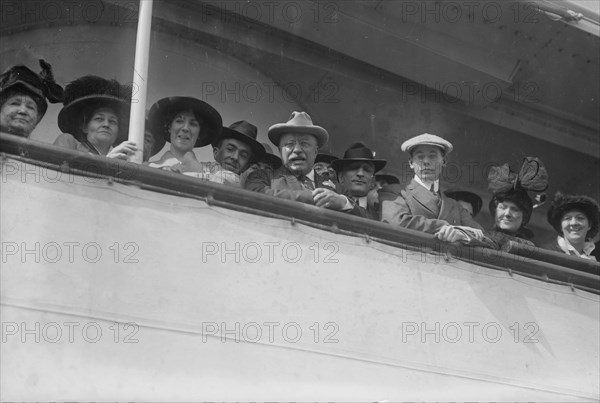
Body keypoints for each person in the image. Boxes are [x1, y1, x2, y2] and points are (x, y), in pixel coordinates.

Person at [379, 133, 484, 243]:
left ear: (444, 161)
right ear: (411, 163)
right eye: (420, 157)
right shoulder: (394, 192)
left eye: (432, 156)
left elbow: (487, 239)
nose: (426, 162)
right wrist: (446, 227)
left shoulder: (455, 206)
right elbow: (396, 223)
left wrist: (463, 235)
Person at [244, 111, 353, 212]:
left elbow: (365, 216)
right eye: (289, 144)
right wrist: (313, 197)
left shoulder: (338, 189)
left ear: (315, 151)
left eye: (304, 143)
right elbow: (255, 196)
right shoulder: (262, 178)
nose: (297, 150)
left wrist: (343, 202)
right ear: (280, 150)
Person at [53, 75, 135, 159]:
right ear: (84, 126)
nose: (106, 124)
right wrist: (108, 162)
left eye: (112, 121)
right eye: (99, 119)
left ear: (118, 132)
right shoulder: (68, 141)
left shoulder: (124, 158)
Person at [487, 157, 548, 250]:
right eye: (503, 207)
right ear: (495, 211)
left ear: (524, 218)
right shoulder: (481, 237)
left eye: (514, 209)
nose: (507, 214)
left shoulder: (531, 249)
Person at [146, 96, 222, 170]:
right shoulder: (149, 168)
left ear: (200, 133)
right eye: (179, 121)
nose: (185, 128)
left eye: (193, 124)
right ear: (169, 127)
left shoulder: (210, 175)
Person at [0, 60, 63, 137]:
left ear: (38, 118)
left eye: (30, 107)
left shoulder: (39, 149)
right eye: (15, 103)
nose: (23, 111)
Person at [331, 142, 386, 220]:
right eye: (353, 168)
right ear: (341, 177)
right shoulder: (329, 203)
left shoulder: (380, 215)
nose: (360, 174)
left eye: (367, 169)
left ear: (373, 181)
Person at [544, 192, 599, 260]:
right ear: (560, 226)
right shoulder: (545, 252)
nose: (573, 223)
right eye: (568, 218)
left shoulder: (596, 257)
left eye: (580, 218)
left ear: (589, 225)